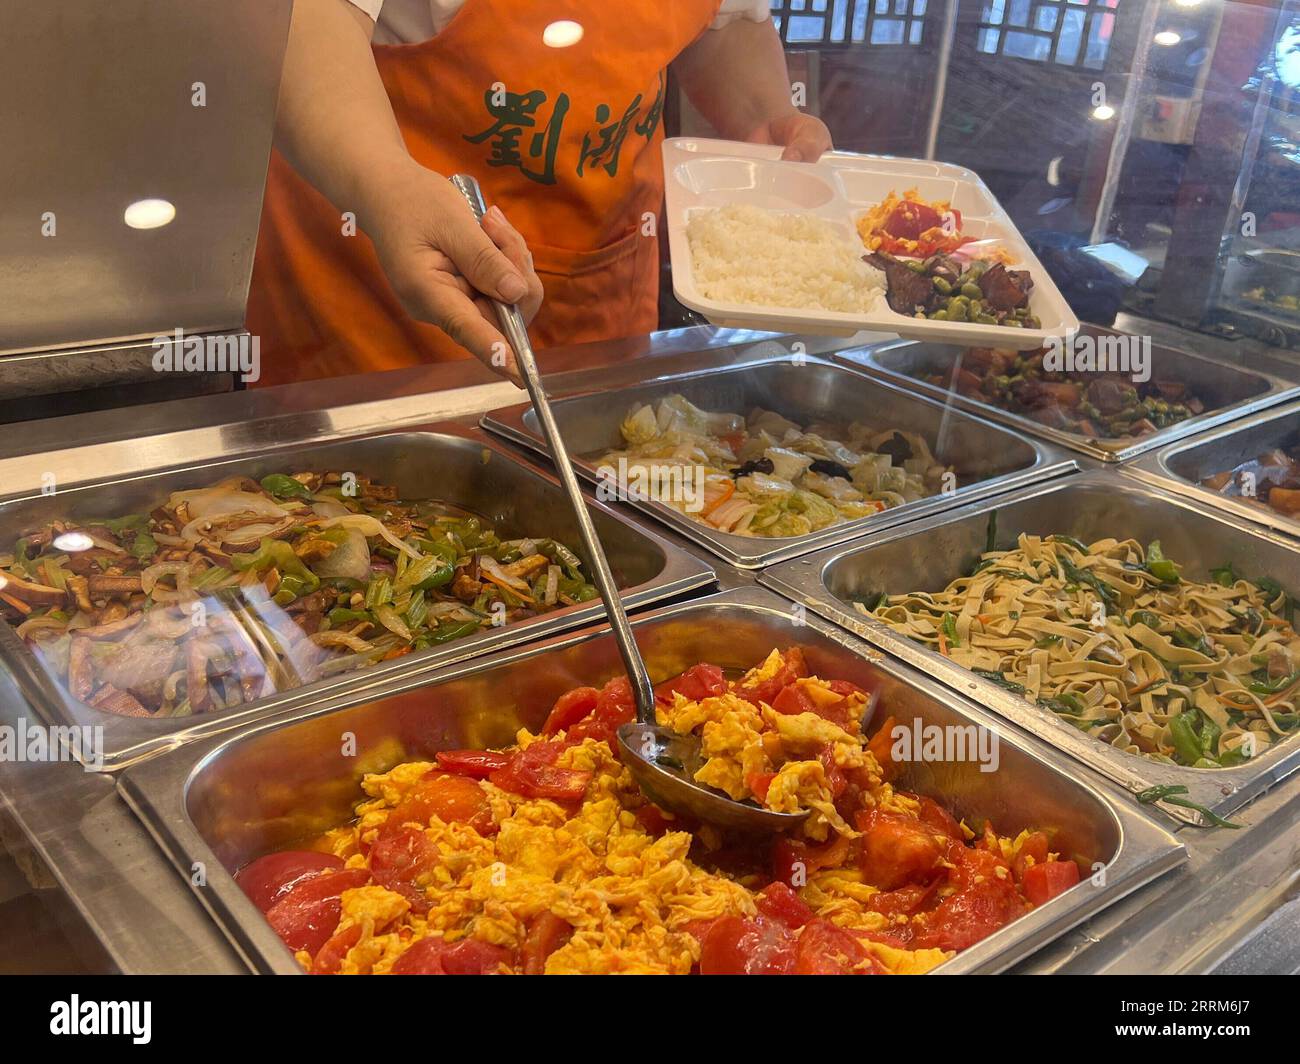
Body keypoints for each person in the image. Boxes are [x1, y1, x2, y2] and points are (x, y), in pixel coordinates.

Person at [247, 0, 831, 385]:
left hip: (603, 315)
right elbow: (299, 17)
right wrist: (382, 184)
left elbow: (725, 19)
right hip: (378, 301)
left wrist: (765, 120)